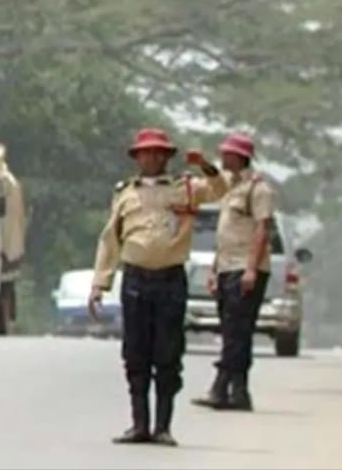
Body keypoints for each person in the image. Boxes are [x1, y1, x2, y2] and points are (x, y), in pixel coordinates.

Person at [88, 128, 228, 446]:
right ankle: (139, 424)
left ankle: (163, 426)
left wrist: (205, 165)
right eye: (145, 153)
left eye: (158, 153)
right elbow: (110, 240)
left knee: (167, 354)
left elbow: (221, 190)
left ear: (167, 157)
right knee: (135, 354)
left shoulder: (187, 188)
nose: (151, 158)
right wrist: (100, 284)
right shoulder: (125, 193)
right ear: (137, 158)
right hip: (135, 280)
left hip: (169, 280)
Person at [191, 133, 275, 412]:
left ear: (240, 157)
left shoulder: (258, 189)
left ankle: (220, 387)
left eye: (227, 154)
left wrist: (251, 269)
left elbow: (263, 230)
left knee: (238, 329)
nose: (223, 158)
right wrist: (215, 270)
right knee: (232, 330)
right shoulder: (231, 188)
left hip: (246, 267)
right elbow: (224, 234)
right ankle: (238, 392)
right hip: (228, 265)